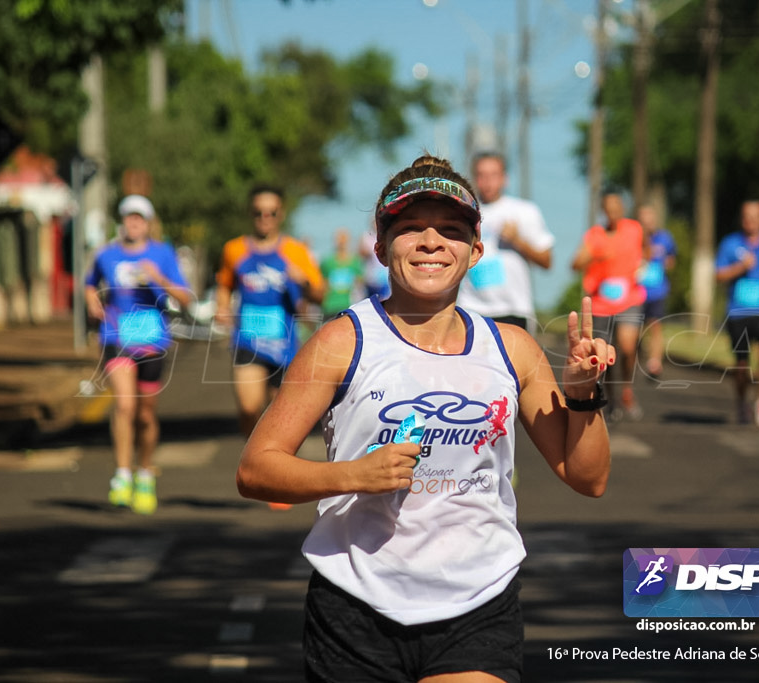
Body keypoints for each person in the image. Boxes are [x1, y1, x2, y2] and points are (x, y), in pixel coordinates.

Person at [236, 155, 613, 682]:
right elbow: (256, 469)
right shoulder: (341, 343)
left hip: (479, 604)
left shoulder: (513, 349)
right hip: (356, 606)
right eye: (410, 229)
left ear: (476, 250)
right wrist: (352, 475)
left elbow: (588, 478)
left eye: (451, 231)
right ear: (381, 246)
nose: (431, 242)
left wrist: (584, 396)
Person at [84, 195, 193, 515]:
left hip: (152, 340)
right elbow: (90, 284)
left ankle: (145, 472)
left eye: (139, 218)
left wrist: (157, 278)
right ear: (122, 221)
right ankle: (121, 474)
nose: (133, 223)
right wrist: (92, 300)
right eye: (128, 218)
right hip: (117, 336)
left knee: (146, 415)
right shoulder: (107, 255)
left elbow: (186, 297)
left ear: (147, 223)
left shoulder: (162, 253)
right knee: (125, 404)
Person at [215, 184, 324, 438]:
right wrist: (222, 306)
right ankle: (252, 460)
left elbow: (319, 293)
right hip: (248, 341)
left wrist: (302, 281)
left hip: (283, 345)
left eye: (271, 213)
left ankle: (270, 466)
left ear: (281, 214)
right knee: (249, 407)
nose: (265, 219)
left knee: (280, 420)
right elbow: (224, 284)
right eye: (258, 213)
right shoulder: (234, 250)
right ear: (250, 213)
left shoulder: (295, 251)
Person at [457, 151, 554, 330]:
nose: (487, 182)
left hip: (512, 309)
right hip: (471, 307)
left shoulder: (524, 211)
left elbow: (547, 261)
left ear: (505, 178)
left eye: (493, 175)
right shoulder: (463, 213)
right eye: (481, 175)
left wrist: (517, 240)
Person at [571, 190, 646, 420]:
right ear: (604, 210)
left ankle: (626, 390)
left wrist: (645, 265)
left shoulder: (634, 229)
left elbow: (648, 249)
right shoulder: (595, 235)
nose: (613, 211)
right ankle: (612, 400)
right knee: (607, 357)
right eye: (609, 207)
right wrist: (595, 255)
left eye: (617, 207)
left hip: (629, 299)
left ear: (622, 208)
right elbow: (576, 263)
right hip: (601, 304)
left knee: (627, 347)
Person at [714, 199, 759, 427]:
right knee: (742, 364)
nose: (751, 221)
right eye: (747, 216)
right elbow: (719, 275)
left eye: (756, 216)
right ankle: (742, 402)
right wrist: (740, 268)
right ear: (742, 219)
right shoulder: (730, 243)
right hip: (738, 312)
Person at [637, 204, 677, 379]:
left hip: (657, 290)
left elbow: (671, 258)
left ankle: (655, 361)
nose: (648, 223)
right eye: (644, 220)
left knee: (655, 326)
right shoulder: (634, 239)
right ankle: (635, 356)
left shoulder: (665, 238)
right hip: (637, 291)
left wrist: (668, 264)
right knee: (636, 328)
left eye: (650, 219)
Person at [319, 226, 364, 319]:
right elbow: (323, 283)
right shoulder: (328, 262)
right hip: (330, 306)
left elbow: (360, 283)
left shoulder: (355, 262)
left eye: (344, 239)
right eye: (339, 239)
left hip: (349, 305)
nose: (341, 242)